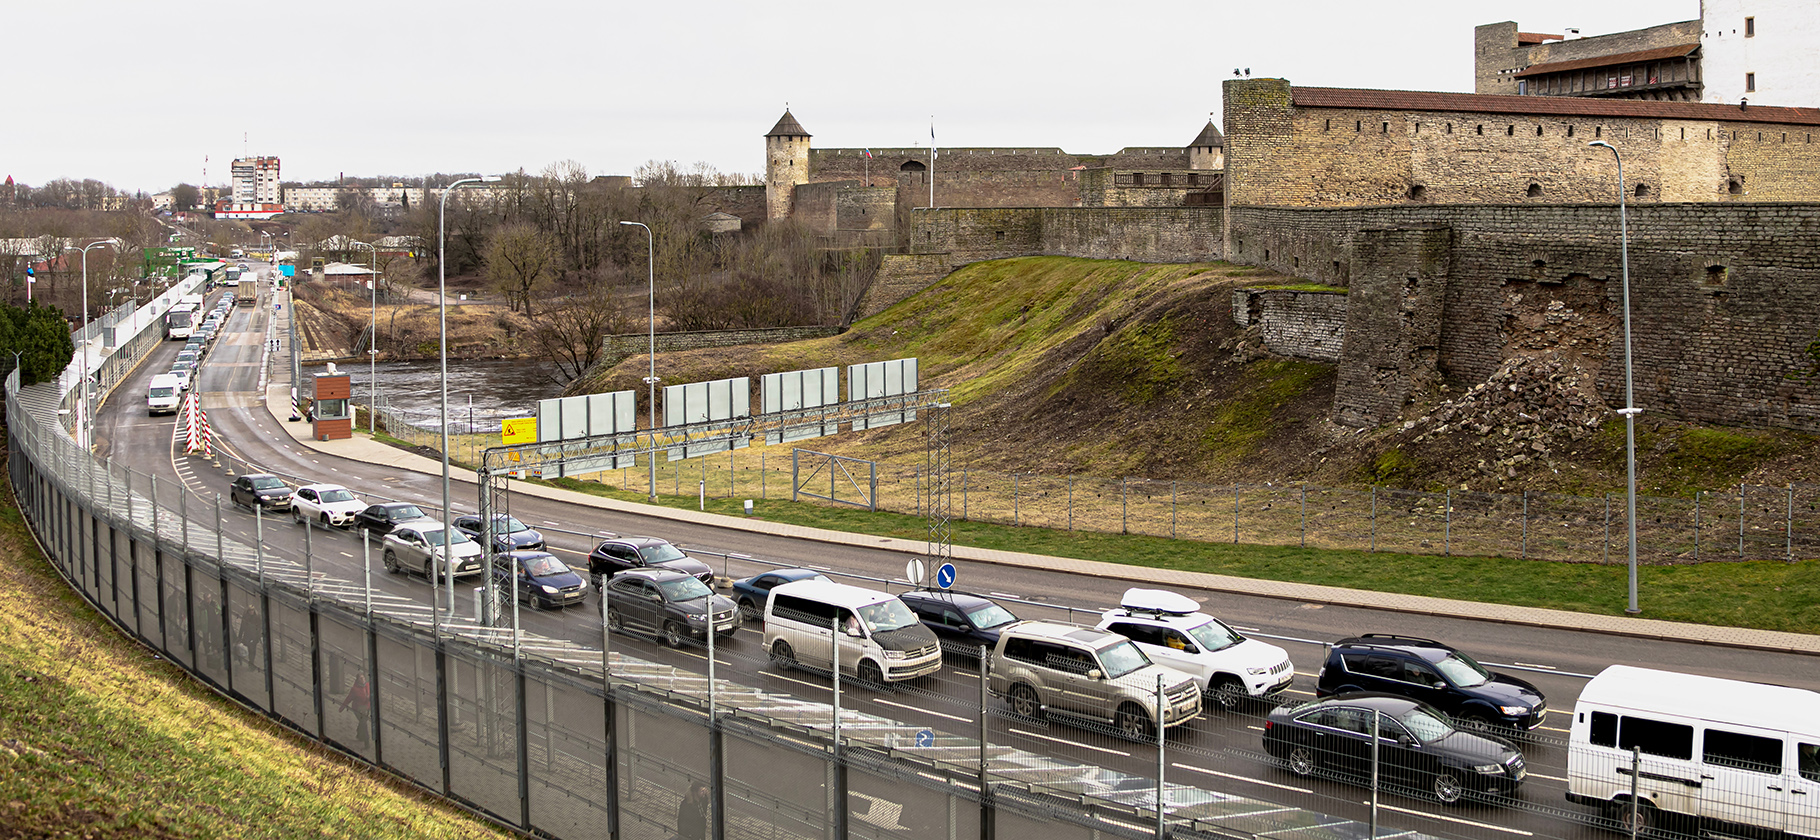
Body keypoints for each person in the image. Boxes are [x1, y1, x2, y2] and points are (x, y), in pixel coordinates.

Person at [337, 673, 371, 746]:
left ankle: (359, 735)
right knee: (364, 723)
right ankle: (366, 742)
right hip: (358, 709)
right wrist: (342, 707)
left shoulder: (367, 686)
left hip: (366, 708)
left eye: (363, 678)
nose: (363, 680)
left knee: (362, 722)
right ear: (357, 680)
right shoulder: (354, 689)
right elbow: (349, 698)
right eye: (361, 678)